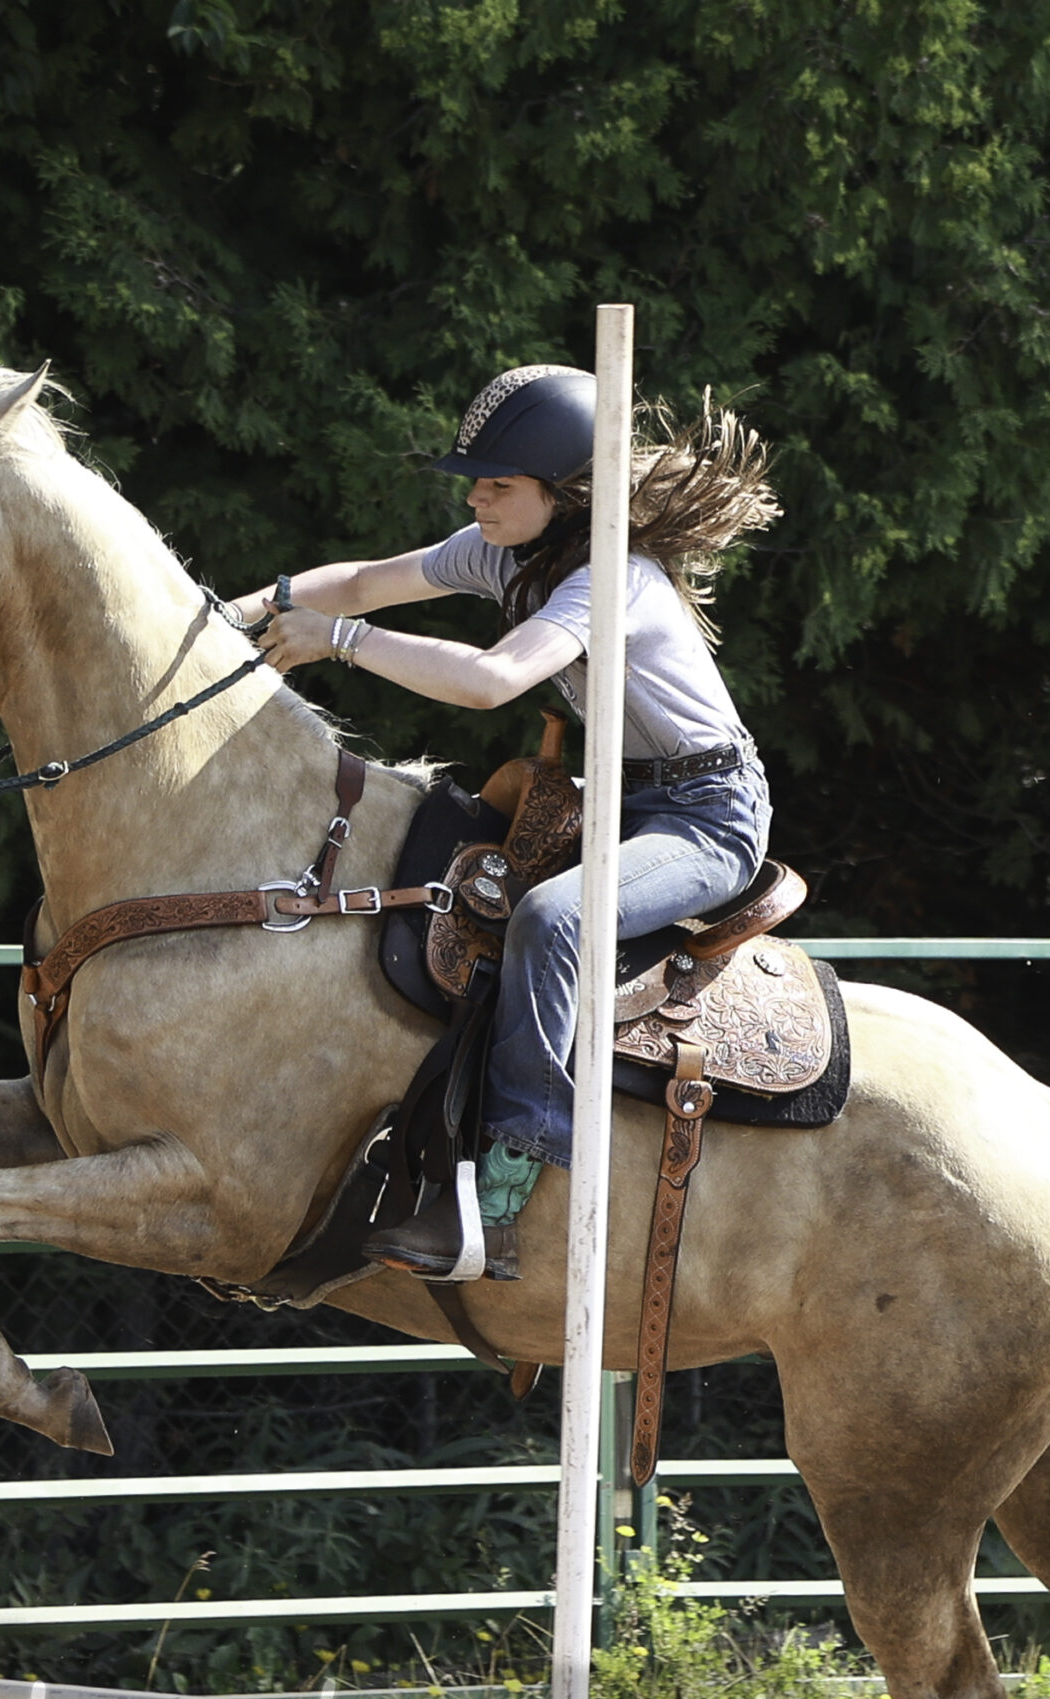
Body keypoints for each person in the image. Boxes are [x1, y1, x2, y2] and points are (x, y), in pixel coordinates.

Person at [242, 363, 779, 1282]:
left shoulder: (618, 581)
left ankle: (500, 1194)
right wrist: (246, 609)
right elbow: (367, 580)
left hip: (705, 817)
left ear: (563, 493)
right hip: (615, 798)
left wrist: (338, 642)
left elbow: (490, 679)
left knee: (552, 919)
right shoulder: (506, 550)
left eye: (498, 483)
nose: (479, 498)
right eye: (478, 482)